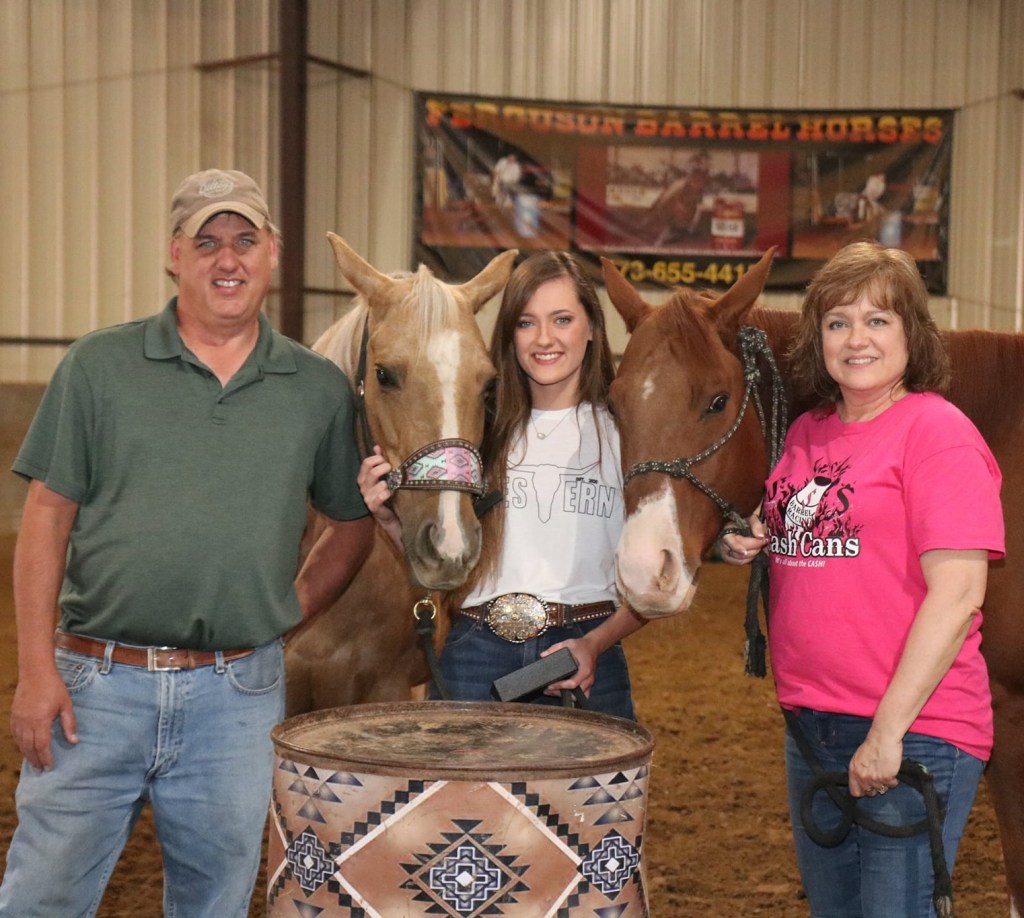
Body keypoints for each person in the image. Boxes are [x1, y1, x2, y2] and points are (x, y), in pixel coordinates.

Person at [0, 169, 374, 917]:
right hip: (95, 687)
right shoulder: (99, 367)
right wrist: (36, 671)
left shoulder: (315, 389)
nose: (226, 259)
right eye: (206, 243)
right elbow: (45, 516)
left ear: (272, 254)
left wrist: (283, 615)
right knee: (42, 897)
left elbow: (352, 523)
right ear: (175, 255)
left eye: (245, 241)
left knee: (215, 902)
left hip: (236, 698)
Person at [721, 241, 1004, 917]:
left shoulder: (938, 434)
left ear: (912, 333)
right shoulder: (808, 432)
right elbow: (809, 523)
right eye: (838, 322)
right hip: (814, 727)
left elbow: (959, 594)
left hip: (914, 730)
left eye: (878, 320)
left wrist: (887, 733)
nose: (857, 339)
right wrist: (752, 535)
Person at [359, 251, 644, 719]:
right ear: (509, 334)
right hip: (475, 654)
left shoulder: (626, 435)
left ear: (593, 327)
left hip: (585, 654)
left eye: (562, 319)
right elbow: (447, 558)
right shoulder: (480, 435)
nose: (544, 339)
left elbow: (656, 580)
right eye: (526, 323)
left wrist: (596, 643)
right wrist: (392, 522)